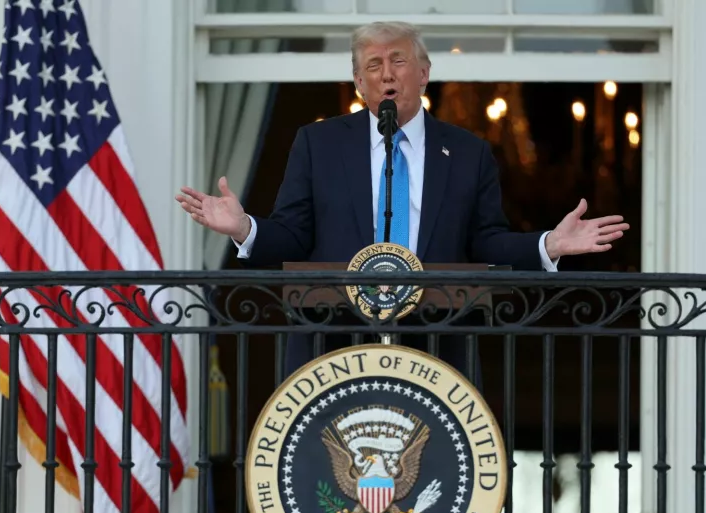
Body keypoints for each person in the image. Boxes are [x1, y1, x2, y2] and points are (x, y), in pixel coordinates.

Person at [176, 21, 630, 380]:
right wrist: (244, 228)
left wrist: (546, 245)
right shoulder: (318, 143)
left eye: (398, 60)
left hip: (435, 347)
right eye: (373, 65)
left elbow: (486, 241)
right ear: (358, 81)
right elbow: (294, 236)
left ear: (424, 74)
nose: (387, 73)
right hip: (333, 347)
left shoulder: (468, 152)